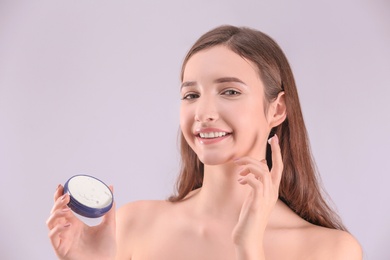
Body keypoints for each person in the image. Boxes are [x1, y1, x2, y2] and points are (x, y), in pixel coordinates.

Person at [46, 25, 362, 259]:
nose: (204, 112)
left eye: (230, 91)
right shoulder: (132, 224)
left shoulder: (331, 250)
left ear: (277, 109)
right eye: (191, 95)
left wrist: (249, 248)